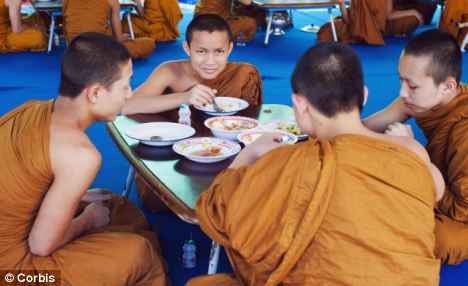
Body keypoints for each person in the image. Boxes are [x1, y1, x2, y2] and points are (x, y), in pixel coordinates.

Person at [187, 42, 444, 285]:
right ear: (363, 96)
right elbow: (436, 192)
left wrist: (249, 153)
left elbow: (213, 209)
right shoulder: (411, 152)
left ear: (299, 103)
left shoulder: (288, 162)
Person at [0, 32, 169, 285]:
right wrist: (88, 219)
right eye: (125, 85)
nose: (130, 94)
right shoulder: (80, 154)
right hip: (13, 273)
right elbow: (40, 245)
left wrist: (80, 197)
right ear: (96, 93)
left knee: (112, 203)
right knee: (139, 252)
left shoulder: (31, 108)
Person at [122, 14, 262, 213]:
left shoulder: (243, 74)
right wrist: (184, 97)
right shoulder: (171, 71)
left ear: (230, 49)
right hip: (172, 156)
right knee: (158, 201)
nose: (210, 61)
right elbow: (126, 106)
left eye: (219, 51)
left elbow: (247, 128)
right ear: (187, 48)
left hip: (223, 155)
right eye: (201, 51)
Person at [364, 29, 468, 265]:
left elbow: (460, 211)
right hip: (441, 184)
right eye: (401, 80)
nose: (402, 93)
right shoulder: (425, 98)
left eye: (412, 86)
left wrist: (414, 152)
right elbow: (363, 129)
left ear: (448, 86)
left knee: (435, 238)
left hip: (461, 211)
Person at [62, 0, 155, 59]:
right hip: (101, 51)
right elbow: (119, 39)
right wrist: (121, 38)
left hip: (74, 50)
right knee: (148, 44)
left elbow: (66, 27)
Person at [318, 0, 436, 45]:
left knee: (411, 20)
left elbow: (389, 15)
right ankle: (374, 33)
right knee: (328, 30)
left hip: (384, 25)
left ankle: (380, 32)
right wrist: (341, 4)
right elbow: (350, 20)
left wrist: (413, 12)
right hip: (362, 26)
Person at [194, 0, 264, 42]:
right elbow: (247, 2)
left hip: (197, 22)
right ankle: (235, 38)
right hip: (215, 24)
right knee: (252, 23)